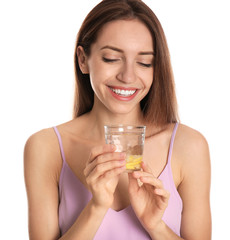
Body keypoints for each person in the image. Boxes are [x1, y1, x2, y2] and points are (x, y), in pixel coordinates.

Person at [24, 0, 211, 239]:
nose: (128, 76)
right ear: (83, 60)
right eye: (112, 58)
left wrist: (156, 225)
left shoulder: (189, 146)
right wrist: (96, 208)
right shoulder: (45, 147)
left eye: (145, 62)